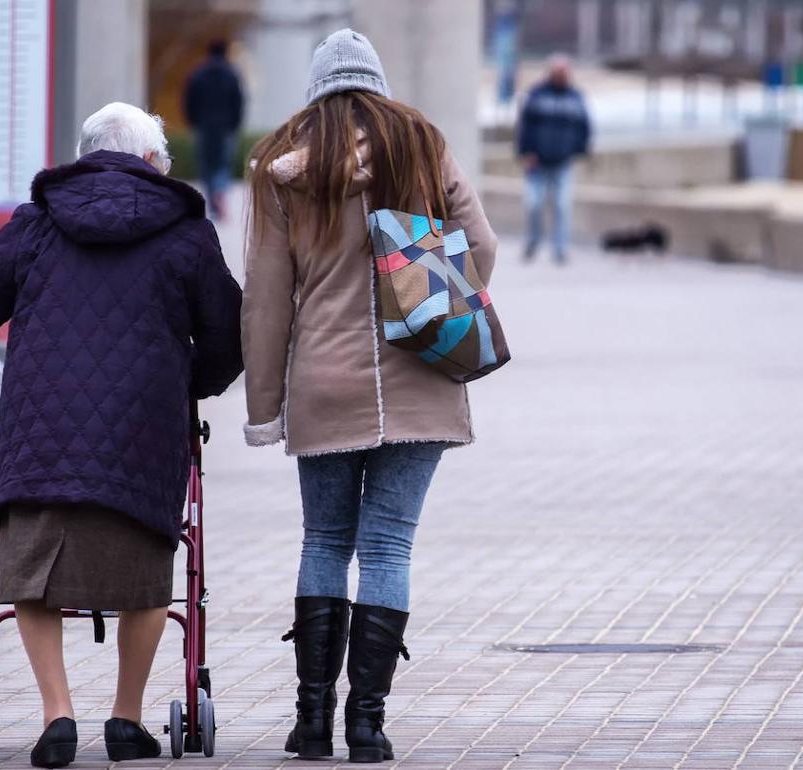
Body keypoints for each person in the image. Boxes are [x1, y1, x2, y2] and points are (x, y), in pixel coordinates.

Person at [0, 102, 243, 768]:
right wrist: (192, 382)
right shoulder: (186, 230)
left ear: (86, 155)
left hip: (39, 434)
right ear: (154, 162)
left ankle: (58, 714)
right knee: (149, 567)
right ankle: (126, 719)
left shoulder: (38, 222)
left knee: (28, 568)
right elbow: (226, 330)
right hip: (143, 431)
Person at [241, 29, 498, 764]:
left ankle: (311, 722)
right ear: (379, 82)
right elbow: (481, 247)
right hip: (421, 376)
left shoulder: (282, 166)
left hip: (324, 381)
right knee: (388, 545)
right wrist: (432, 295)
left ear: (317, 89)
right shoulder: (422, 143)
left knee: (324, 541)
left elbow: (265, 298)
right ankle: (369, 725)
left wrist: (264, 408)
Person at [516, 53, 590, 264]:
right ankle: (532, 242)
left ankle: (560, 249)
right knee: (534, 204)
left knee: (562, 206)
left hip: (562, 162)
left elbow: (584, 127)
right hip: (537, 162)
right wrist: (525, 151)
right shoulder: (537, 95)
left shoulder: (575, 97)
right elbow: (525, 126)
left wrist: (579, 150)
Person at [184, 40, 245, 221]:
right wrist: (235, 124)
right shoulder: (231, 74)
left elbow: (189, 101)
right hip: (226, 127)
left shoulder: (198, 74)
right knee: (223, 164)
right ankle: (220, 192)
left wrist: (193, 122)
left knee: (207, 165)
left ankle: (213, 203)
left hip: (203, 126)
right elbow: (239, 102)